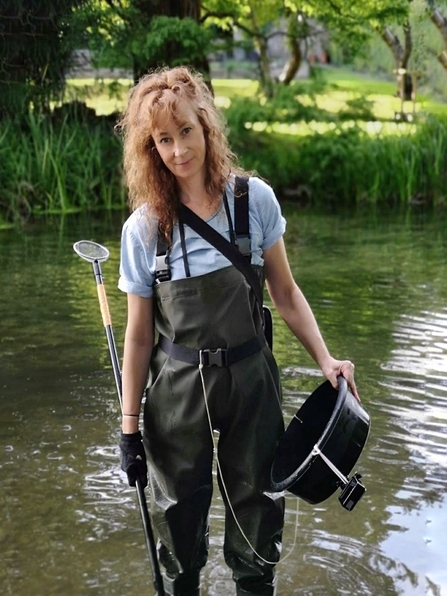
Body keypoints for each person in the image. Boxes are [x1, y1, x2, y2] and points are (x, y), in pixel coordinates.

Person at [117, 66, 358, 596]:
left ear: (206, 126)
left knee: (259, 503)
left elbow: (286, 294)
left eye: (186, 132)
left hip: (251, 376)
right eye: (164, 139)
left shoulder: (254, 203)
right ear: (150, 147)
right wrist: (130, 428)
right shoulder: (143, 229)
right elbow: (137, 337)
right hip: (177, 389)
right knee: (177, 513)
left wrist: (326, 360)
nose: (179, 150)